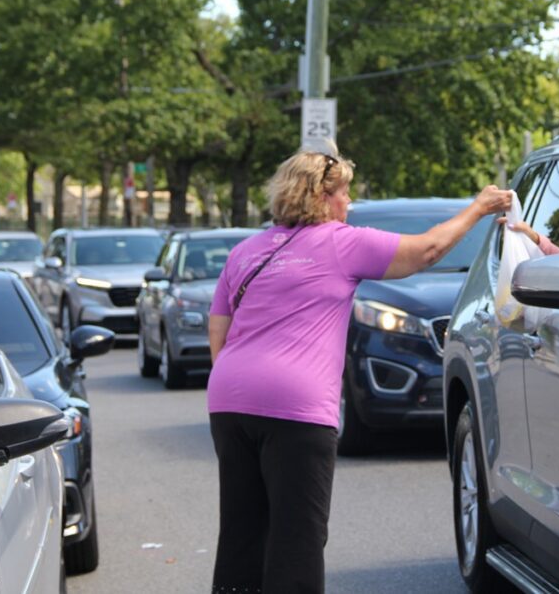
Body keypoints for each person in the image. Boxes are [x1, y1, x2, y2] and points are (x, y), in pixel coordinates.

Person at [206, 151, 513, 594]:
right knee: (298, 539)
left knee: (242, 531)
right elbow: (425, 250)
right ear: (320, 197)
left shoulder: (245, 252)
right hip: (297, 408)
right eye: (344, 192)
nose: (348, 202)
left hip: (230, 402)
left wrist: (244, 383)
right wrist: (478, 209)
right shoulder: (340, 242)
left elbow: (220, 334)